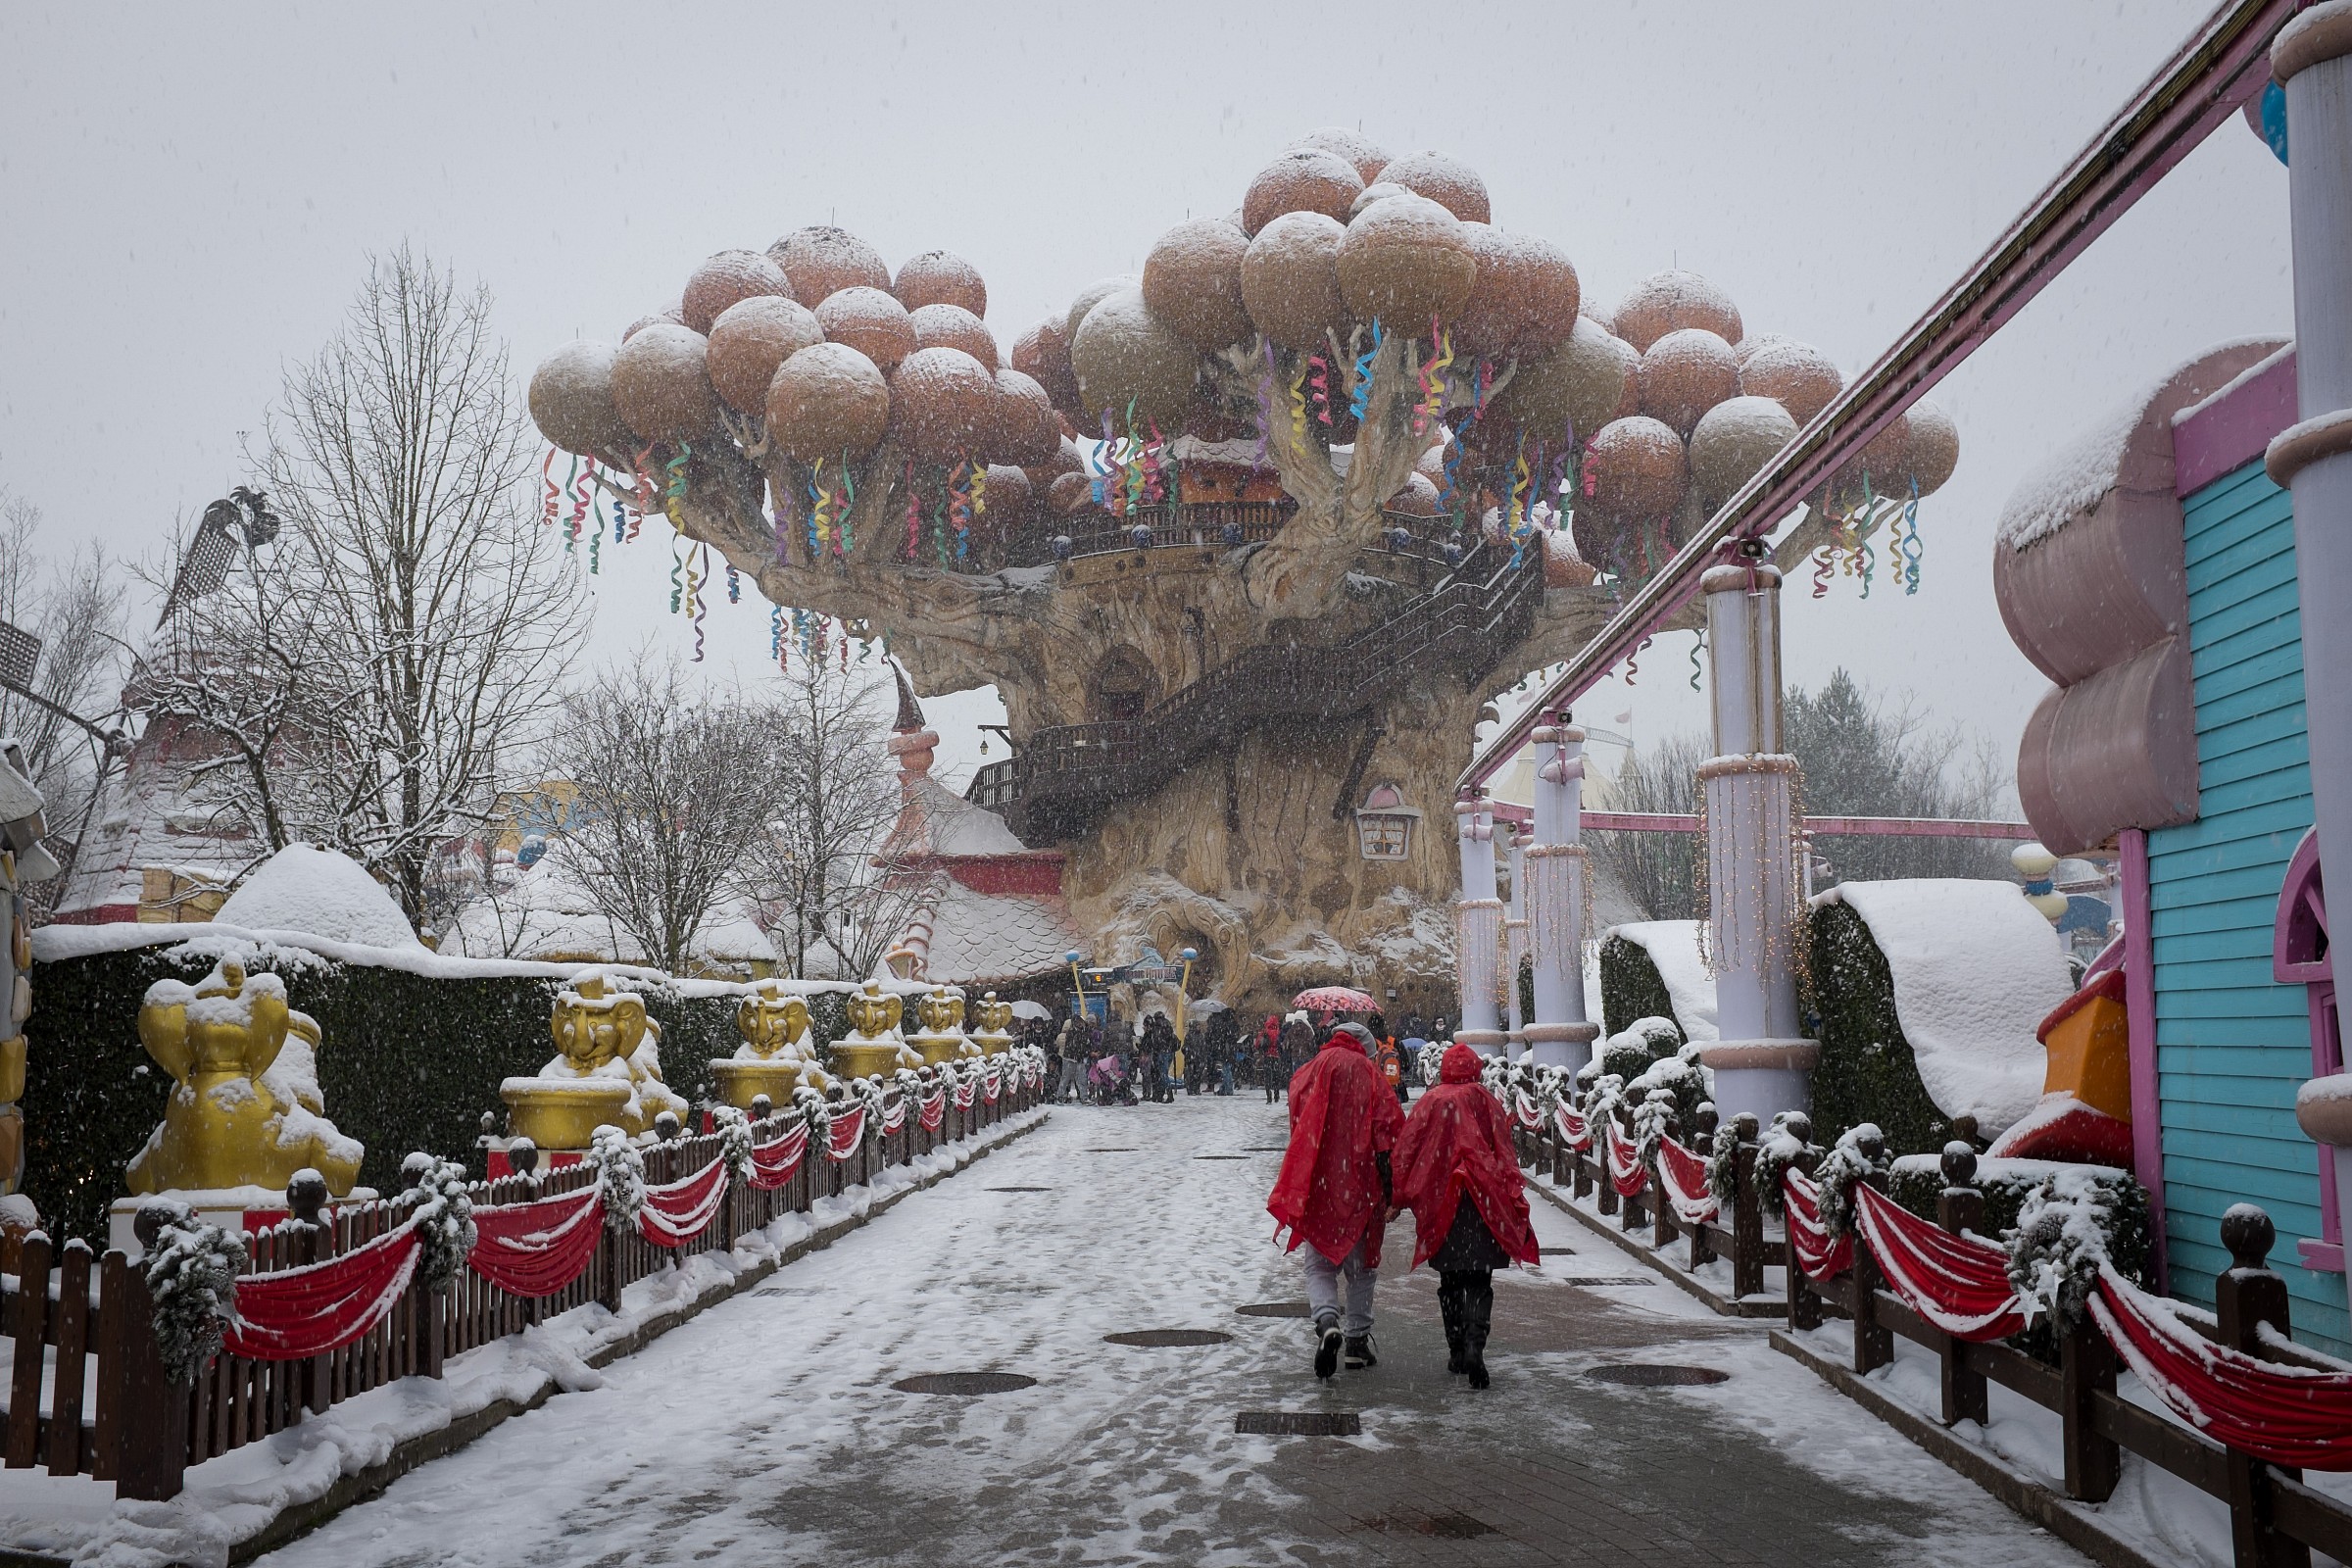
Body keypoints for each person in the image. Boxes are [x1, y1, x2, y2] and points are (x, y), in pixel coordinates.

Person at [1392, 1042, 1541, 1390]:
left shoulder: (1431, 1100)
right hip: (1481, 1201)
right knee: (1479, 1279)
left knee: (1450, 1281)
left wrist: (1399, 1194)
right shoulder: (1485, 1100)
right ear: (1474, 1069)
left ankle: (1457, 1349)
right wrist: (1508, 1194)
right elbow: (1504, 1150)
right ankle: (1476, 1344)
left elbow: (1407, 1147)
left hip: (1442, 1200)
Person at [1268, 1021, 1406, 1379]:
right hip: (1361, 1184)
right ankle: (1357, 1343)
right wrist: (1392, 1192)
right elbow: (1388, 1135)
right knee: (1361, 1271)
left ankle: (1327, 1321)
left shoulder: (1308, 1071)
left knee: (1319, 1264)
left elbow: (1298, 1122)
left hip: (1320, 1182)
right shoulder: (1371, 1076)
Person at [1365, 1011, 1406, 1105]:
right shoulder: (1393, 1041)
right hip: (1394, 1086)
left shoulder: (1369, 1042)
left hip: (1376, 1084)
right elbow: (1406, 1064)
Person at [1141, 1010, 1178, 1104]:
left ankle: (1169, 1095)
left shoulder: (1157, 1027)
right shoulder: (1168, 1025)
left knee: (1162, 1075)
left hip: (1162, 1053)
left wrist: (1155, 1049)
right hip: (1169, 1053)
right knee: (1162, 1074)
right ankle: (1160, 1095)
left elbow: (1156, 1041)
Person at [1054, 1020, 1087, 1104]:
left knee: (1065, 1078)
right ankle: (1084, 1097)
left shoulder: (1064, 1035)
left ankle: (1060, 1096)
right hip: (1074, 1058)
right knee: (1079, 1079)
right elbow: (1079, 1046)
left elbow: (1058, 1046)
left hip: (1067, 1058)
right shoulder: (1075, 1034)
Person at [1258, 1013, 1287, 1103]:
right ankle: (1276, 1094)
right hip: (1277, 1056)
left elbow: (1258, 1044)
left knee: (1267, 1076)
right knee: (1276, 1076)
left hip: (1267, 1055)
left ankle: (1268, 1096)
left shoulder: (1264, 1032)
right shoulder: (1279, 1032)